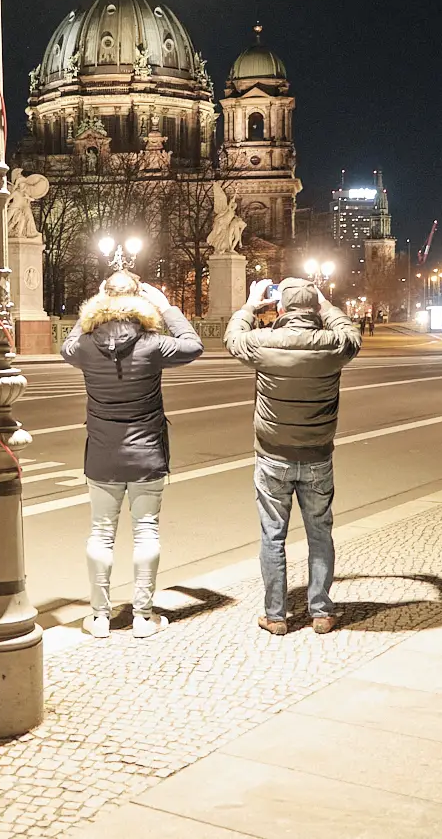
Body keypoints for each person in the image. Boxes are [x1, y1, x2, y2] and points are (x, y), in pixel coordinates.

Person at [61, 269, 203, 639]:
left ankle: (100, 617)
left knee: (101, 533)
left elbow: (66, 345)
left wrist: (91, 310)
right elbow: (193, 345)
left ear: (102, 300)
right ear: (141, 301)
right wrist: (168, 307)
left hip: (102, 456)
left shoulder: (86, 346)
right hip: (147, 455)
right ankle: (143, 616)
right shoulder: (153, 344)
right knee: (146, 532)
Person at [224, 277, 362, 636]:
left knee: (272, 536)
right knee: (320, 534)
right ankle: (321, 611)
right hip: (317, 456)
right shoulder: (334, 345)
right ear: (314, 307)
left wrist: (251, 303)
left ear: (281, 309)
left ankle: (276, 615)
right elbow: (350, 332)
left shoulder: (264, 342)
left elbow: (232, 338)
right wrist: (326, 304)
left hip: (272, 456)